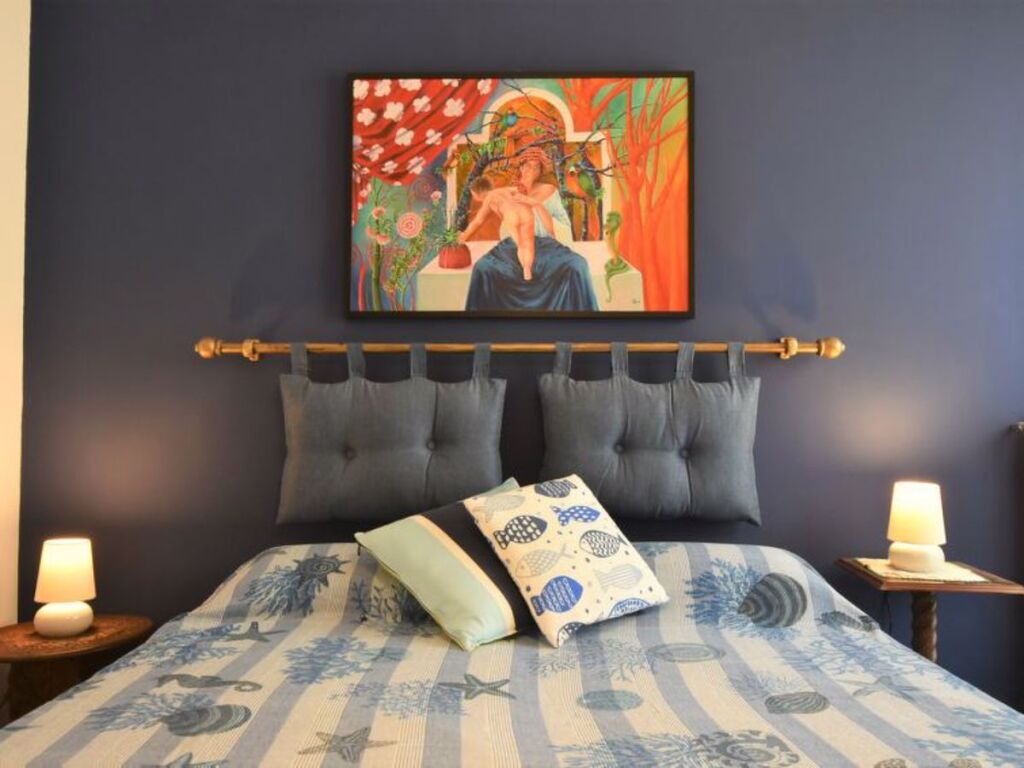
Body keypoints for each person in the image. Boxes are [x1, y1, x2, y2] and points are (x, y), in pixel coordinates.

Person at [463, 151, 599, 312]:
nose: (531, 171)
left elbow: (561, 228)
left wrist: (536, 204)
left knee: (577, 265)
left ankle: (581, 323)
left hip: (547, 246)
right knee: (483, 268)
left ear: (541, 171)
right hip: (513, 245)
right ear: (520, 168)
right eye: (527, 166)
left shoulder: (549, 191)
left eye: (536, 167)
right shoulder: (509, 191)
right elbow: (491, 220)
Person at [459, 176, 554, 281]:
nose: (474, 198)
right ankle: (528, 269)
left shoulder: (489, 198)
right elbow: (521, 190)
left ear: (479, 193)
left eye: (473, 195)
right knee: (528, 243)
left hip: (511, 215)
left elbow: (478, 221)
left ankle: (525, 272)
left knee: (520, 245)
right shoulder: (505, 190)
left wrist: (464, 235)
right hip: (525, 212)